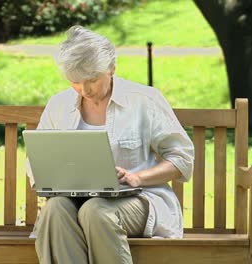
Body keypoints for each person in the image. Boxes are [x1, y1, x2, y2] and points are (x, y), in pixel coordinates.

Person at [25, 25, 194, 264]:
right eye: (76, 81)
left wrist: (139, 178)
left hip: (140, 199)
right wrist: (49, 178)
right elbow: (35, 161)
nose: (85, 90)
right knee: (55, 209)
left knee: (95, 210)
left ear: (112, 68)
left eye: (92, 80)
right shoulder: (59, 105)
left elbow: (182, 159)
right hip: (74, 202)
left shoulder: (144, 100)